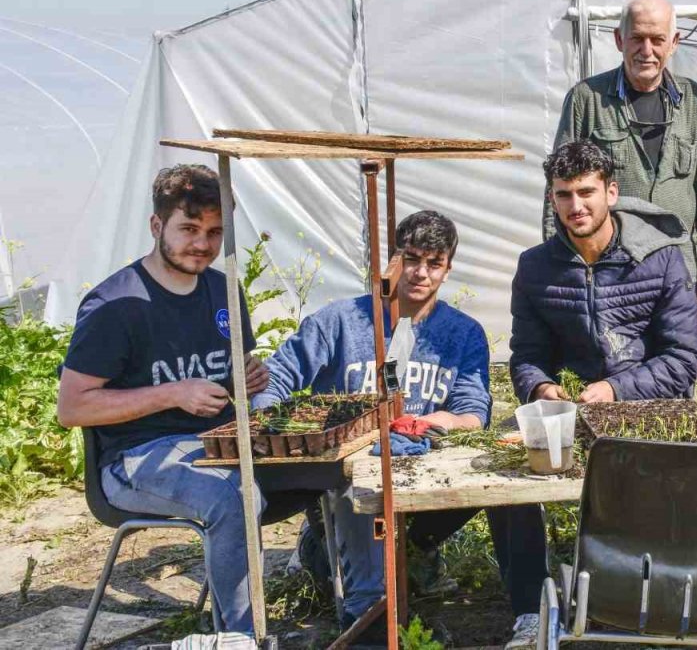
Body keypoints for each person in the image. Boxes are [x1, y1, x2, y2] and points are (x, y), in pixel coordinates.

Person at [256, 210, 546, 649]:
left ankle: (523, 608)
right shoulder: (340, 322)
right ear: (392, 259)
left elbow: (473, 411)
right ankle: (353, 596)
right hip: (350, 491)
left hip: (421, 485)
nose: (420, 273)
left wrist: (438, 421)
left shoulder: (462, 333)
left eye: (434, 263)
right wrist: (277, 428)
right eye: (411, 258)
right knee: (360, 488)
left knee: (499, 475)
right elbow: (278, 377)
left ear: (448, 269)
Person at [57, 164, 268, 637]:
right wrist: (173, 393)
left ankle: (353, 601)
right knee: (235, 496)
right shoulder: (115, 304)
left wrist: (246, 379)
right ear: (157, 226)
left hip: (218, 444)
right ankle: (242, 638)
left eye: (215, 232)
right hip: (134, 460)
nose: (203, 244)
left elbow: (229, 375)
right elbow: (72, 408)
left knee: (333, 466)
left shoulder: (223, 286)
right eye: (189, 229)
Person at [547, 0, 697, 301]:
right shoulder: (588, 99)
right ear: (620, 39)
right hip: (611, 264)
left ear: (674, 43)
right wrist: (560, 263)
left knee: (678, 345)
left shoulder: (695, 101)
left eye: (657, 40)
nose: (647, 51)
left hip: (677, 263)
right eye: (637, 38)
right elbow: (557, 187)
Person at [513, 139, 697, 404]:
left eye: (586, 192)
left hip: (651, 407)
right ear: (552, 200)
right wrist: (540, 387)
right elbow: (527, 355)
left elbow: (683, 358)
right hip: (573, 407)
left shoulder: (661, 258)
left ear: (611, 192)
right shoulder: (534, 267)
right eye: (564, 195)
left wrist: (615, 389)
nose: (576, 206)